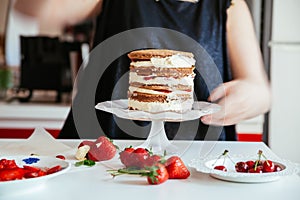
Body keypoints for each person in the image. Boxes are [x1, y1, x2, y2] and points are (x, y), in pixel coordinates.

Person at [15, 0, 271, 141]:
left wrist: (250, 95)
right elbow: (37, 8)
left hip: (197, 161)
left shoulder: (230, 6)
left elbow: (262, 93)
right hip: (102, 156)